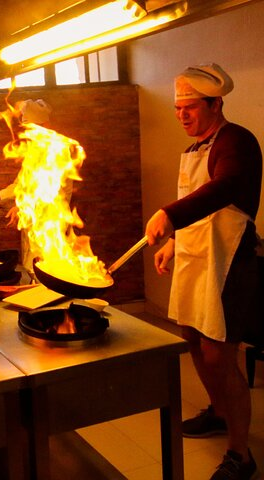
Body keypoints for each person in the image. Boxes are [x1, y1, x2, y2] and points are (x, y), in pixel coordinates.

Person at [145, 63, 261, 480]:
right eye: (178, 109)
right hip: (197, 259)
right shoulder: (196, 148)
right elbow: (202, 208)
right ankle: (217, 412)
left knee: (219, 354)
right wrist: (176, 242)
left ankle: (240, 455)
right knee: (192, 338)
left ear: (216, 104)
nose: (181, 116)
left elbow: (224, 189)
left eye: (190, 108)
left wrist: (168, 215)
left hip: (228, 263)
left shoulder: (236, 141)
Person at [0, 99, 58, 278]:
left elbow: (52, 194)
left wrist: (23, 207)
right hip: (31, 228)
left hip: (50, 229)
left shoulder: (57, 155)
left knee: (49, 277)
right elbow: (20, 185)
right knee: (32, 273)